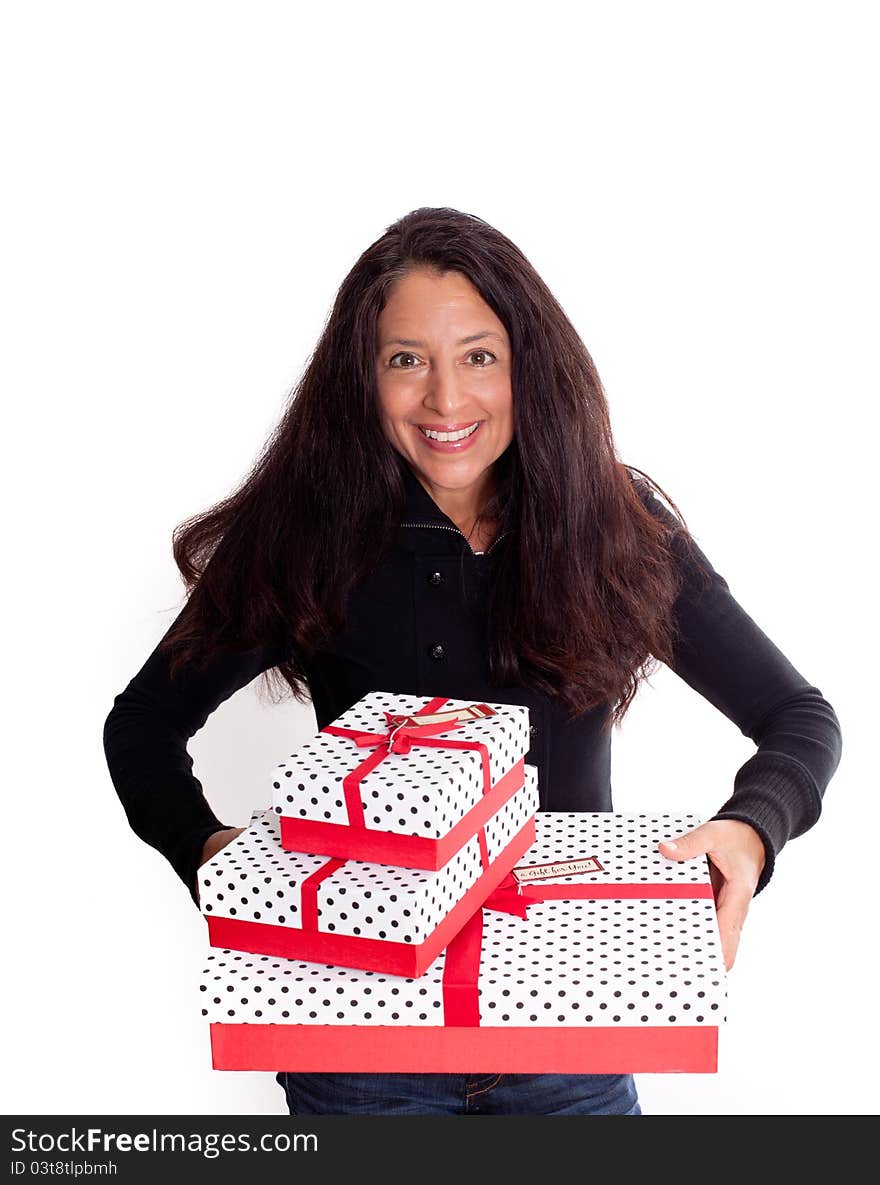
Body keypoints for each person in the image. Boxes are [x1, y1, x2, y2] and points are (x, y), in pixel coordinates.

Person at [103, 206, 842, 1116]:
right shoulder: (307, 535)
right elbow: (140, 725)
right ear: (361, 380)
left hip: (571, 1035)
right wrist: (215, 860)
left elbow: (800, 717)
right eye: (406, 359)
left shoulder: (615, 525)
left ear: (529, 366)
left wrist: (752, 829)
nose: (446, 401)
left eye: (479, 356)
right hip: (360, 1054)